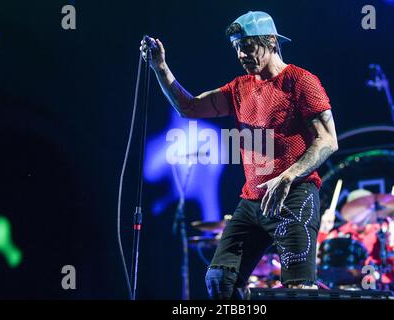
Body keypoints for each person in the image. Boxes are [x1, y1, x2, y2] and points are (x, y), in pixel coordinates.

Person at [142, 11, 338, 299]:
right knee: (220, 279)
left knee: (299, 289)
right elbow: (190, 108)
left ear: (271, 42)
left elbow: (328, 140)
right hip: (252, 200)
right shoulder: (240, 87)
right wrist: (160, 67)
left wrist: (288, 176)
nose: (241, 54)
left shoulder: (300, 82)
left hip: (295, 194)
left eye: (247, 46)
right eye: (236, 48)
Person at [318, 189, 394, 299]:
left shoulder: (383, 231)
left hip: (381, 285)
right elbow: (318, 262)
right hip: (350, 286)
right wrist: (323, 231)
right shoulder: (341, 234)